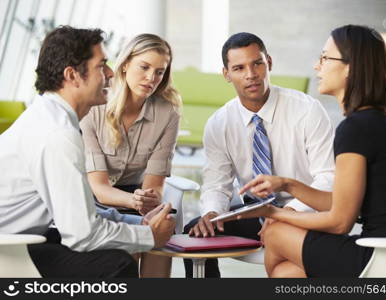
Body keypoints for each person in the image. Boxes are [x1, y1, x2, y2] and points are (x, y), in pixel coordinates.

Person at [235, 25, 386, 277]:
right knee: (286, 273)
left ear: (350, 67)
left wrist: (273, 212)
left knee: (276, 231)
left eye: (324, 58)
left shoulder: (355, 128)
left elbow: (340, 222)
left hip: (378, 259)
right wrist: (286, 184)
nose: (316, 66)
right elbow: (344, 200)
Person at [0, 26, 175, 278]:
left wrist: (138, 223)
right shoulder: (57, 134)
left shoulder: (49, 116)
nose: (109, 73)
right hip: (9, 250)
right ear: (72, 75)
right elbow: (83, 234)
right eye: (101, 65)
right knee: (116, 263)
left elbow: (79, 209)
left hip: (23, 237)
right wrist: (149, 236)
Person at [183, 32, 335, 277]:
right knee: (197, 232)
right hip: (258, 213)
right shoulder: (219, 123)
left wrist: (288, 214)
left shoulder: (307, 110)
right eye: (239, 68)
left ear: (269, 63)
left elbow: (328, 177)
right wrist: (211, 213)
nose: (251, 74)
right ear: (226, 74)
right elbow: (216, 185)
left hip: (307, 214)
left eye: (257, 63)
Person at [79, 33, 181, 277]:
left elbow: (155, 185)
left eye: (159, 72)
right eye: (144, 67)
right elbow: (100, 188)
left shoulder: (167, 114)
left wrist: (148, 199)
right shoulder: (94, 107)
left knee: (163, 228)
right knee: (133, 244)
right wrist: (133, 202)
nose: (151, 78)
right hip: (94, 199)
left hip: (137, 196)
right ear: (125, 65)